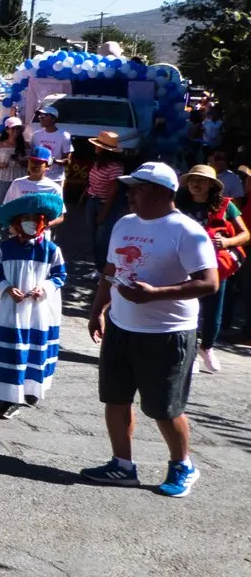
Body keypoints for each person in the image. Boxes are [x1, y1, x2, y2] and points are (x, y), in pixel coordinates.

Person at [83, 162, 219, 498]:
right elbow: (111, 269)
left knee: (164, 408)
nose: (130, 194)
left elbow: (209, 282)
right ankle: (122, 465)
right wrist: (98, 307)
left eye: (138, 188)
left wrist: (157, 294)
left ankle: (182, 465)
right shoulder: (125, 224)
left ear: (161, 192)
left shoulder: (186, 231)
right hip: (121, 326)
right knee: (115, 398)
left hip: (167, 332)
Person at [0, 192, 67, 419]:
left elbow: (60, 275)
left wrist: (45, 288)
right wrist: (7, 288)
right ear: (16, 222)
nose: (31, 222)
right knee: (12, 350)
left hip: (40, 310)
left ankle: (31, 390)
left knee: (35, 349)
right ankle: (10, 397)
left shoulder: (51, 250)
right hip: (12, 309)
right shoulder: (5, 247)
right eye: (25, 217)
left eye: (35, 217)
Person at [176, 164, 248, 374]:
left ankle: (206, 347)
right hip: (182, 263)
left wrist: (226, 243)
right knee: (187, 309)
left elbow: (245, 234)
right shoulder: (178, 204)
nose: (196, 184)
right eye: (192, 180)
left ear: (211, 185)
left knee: (213, 314)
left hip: (215, 266)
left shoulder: (227, 205)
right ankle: (188, 352)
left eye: (201, 180)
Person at [81, 131, 127, 278]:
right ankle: (99, 269)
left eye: (98, 146)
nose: (95, 147)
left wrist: (104, 213)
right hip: (92, 201)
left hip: (105, 205)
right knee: (94, 238)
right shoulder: (98, 163)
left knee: (103, 240)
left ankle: (106, 273)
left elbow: (114, 192)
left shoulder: (116, 167)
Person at [30, 106, 73, 190]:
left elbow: (68, 161)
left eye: (44, 116)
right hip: (37, 177)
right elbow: (32, 154)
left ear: (53, 119)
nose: (40, 118)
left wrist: (54, 161)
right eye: (40, 116)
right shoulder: (36, 135)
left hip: (55, 178)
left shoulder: (64, 135)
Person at [0, 117, 28, 210]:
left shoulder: (26, 145)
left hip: (20, 178)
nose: (16, 131)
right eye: (13, 128)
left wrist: (20, 161)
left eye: (18, 128)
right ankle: (0, 224)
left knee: (19, 205)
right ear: (7, 130)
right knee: (1, 204)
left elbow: (30, 165)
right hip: (4, 179)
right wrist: (1, 165)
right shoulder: (0, 145)